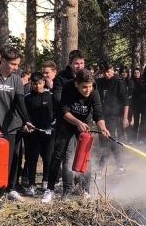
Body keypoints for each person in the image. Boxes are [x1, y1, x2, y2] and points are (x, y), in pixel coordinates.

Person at [43, 70, 110, 203]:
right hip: (66, 123)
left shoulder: (94, 91)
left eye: (89, 86)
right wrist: (77, 122)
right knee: (58, 156)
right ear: (76, 84)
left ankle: (85, 191)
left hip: (84, 124)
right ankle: (49, 190)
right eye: (84, 87)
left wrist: (102, 127)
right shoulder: (68, 88)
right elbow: (63, 111)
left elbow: (98, 113)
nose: (87, 90)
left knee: (86, 157)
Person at [0, 47, 33, 208]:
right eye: (13, 64)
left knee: (5, 164)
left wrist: (26, 121)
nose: (16, 68)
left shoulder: (16, 79)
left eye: (17, 64)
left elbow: (19, 102)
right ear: (2, 61)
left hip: (10, 128)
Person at [22, 71, 55, 195]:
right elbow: (24, 114)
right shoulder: (27, 97)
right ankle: (31, 184)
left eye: (40, 83)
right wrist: (26, 124)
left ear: (44, 83)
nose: (37, 86)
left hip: (48, 132)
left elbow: (56, 112)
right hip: (33, 133)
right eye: (35, 84)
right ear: (31, 84)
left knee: (48, 158)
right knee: (32, 159)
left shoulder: (50, 95)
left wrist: (52, 126)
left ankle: (46, 181)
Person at [96, 64, 129, 172]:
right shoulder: (100, 82)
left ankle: (101, 167)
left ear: (113, 70)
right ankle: (119, 165)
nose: (107, 74)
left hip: (113, 116)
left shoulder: (119, 82)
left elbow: (126, 102)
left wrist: (125, 118)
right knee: (105, 139)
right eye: (104, 72)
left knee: (109, 138)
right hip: (101, 115)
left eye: (108, 71)